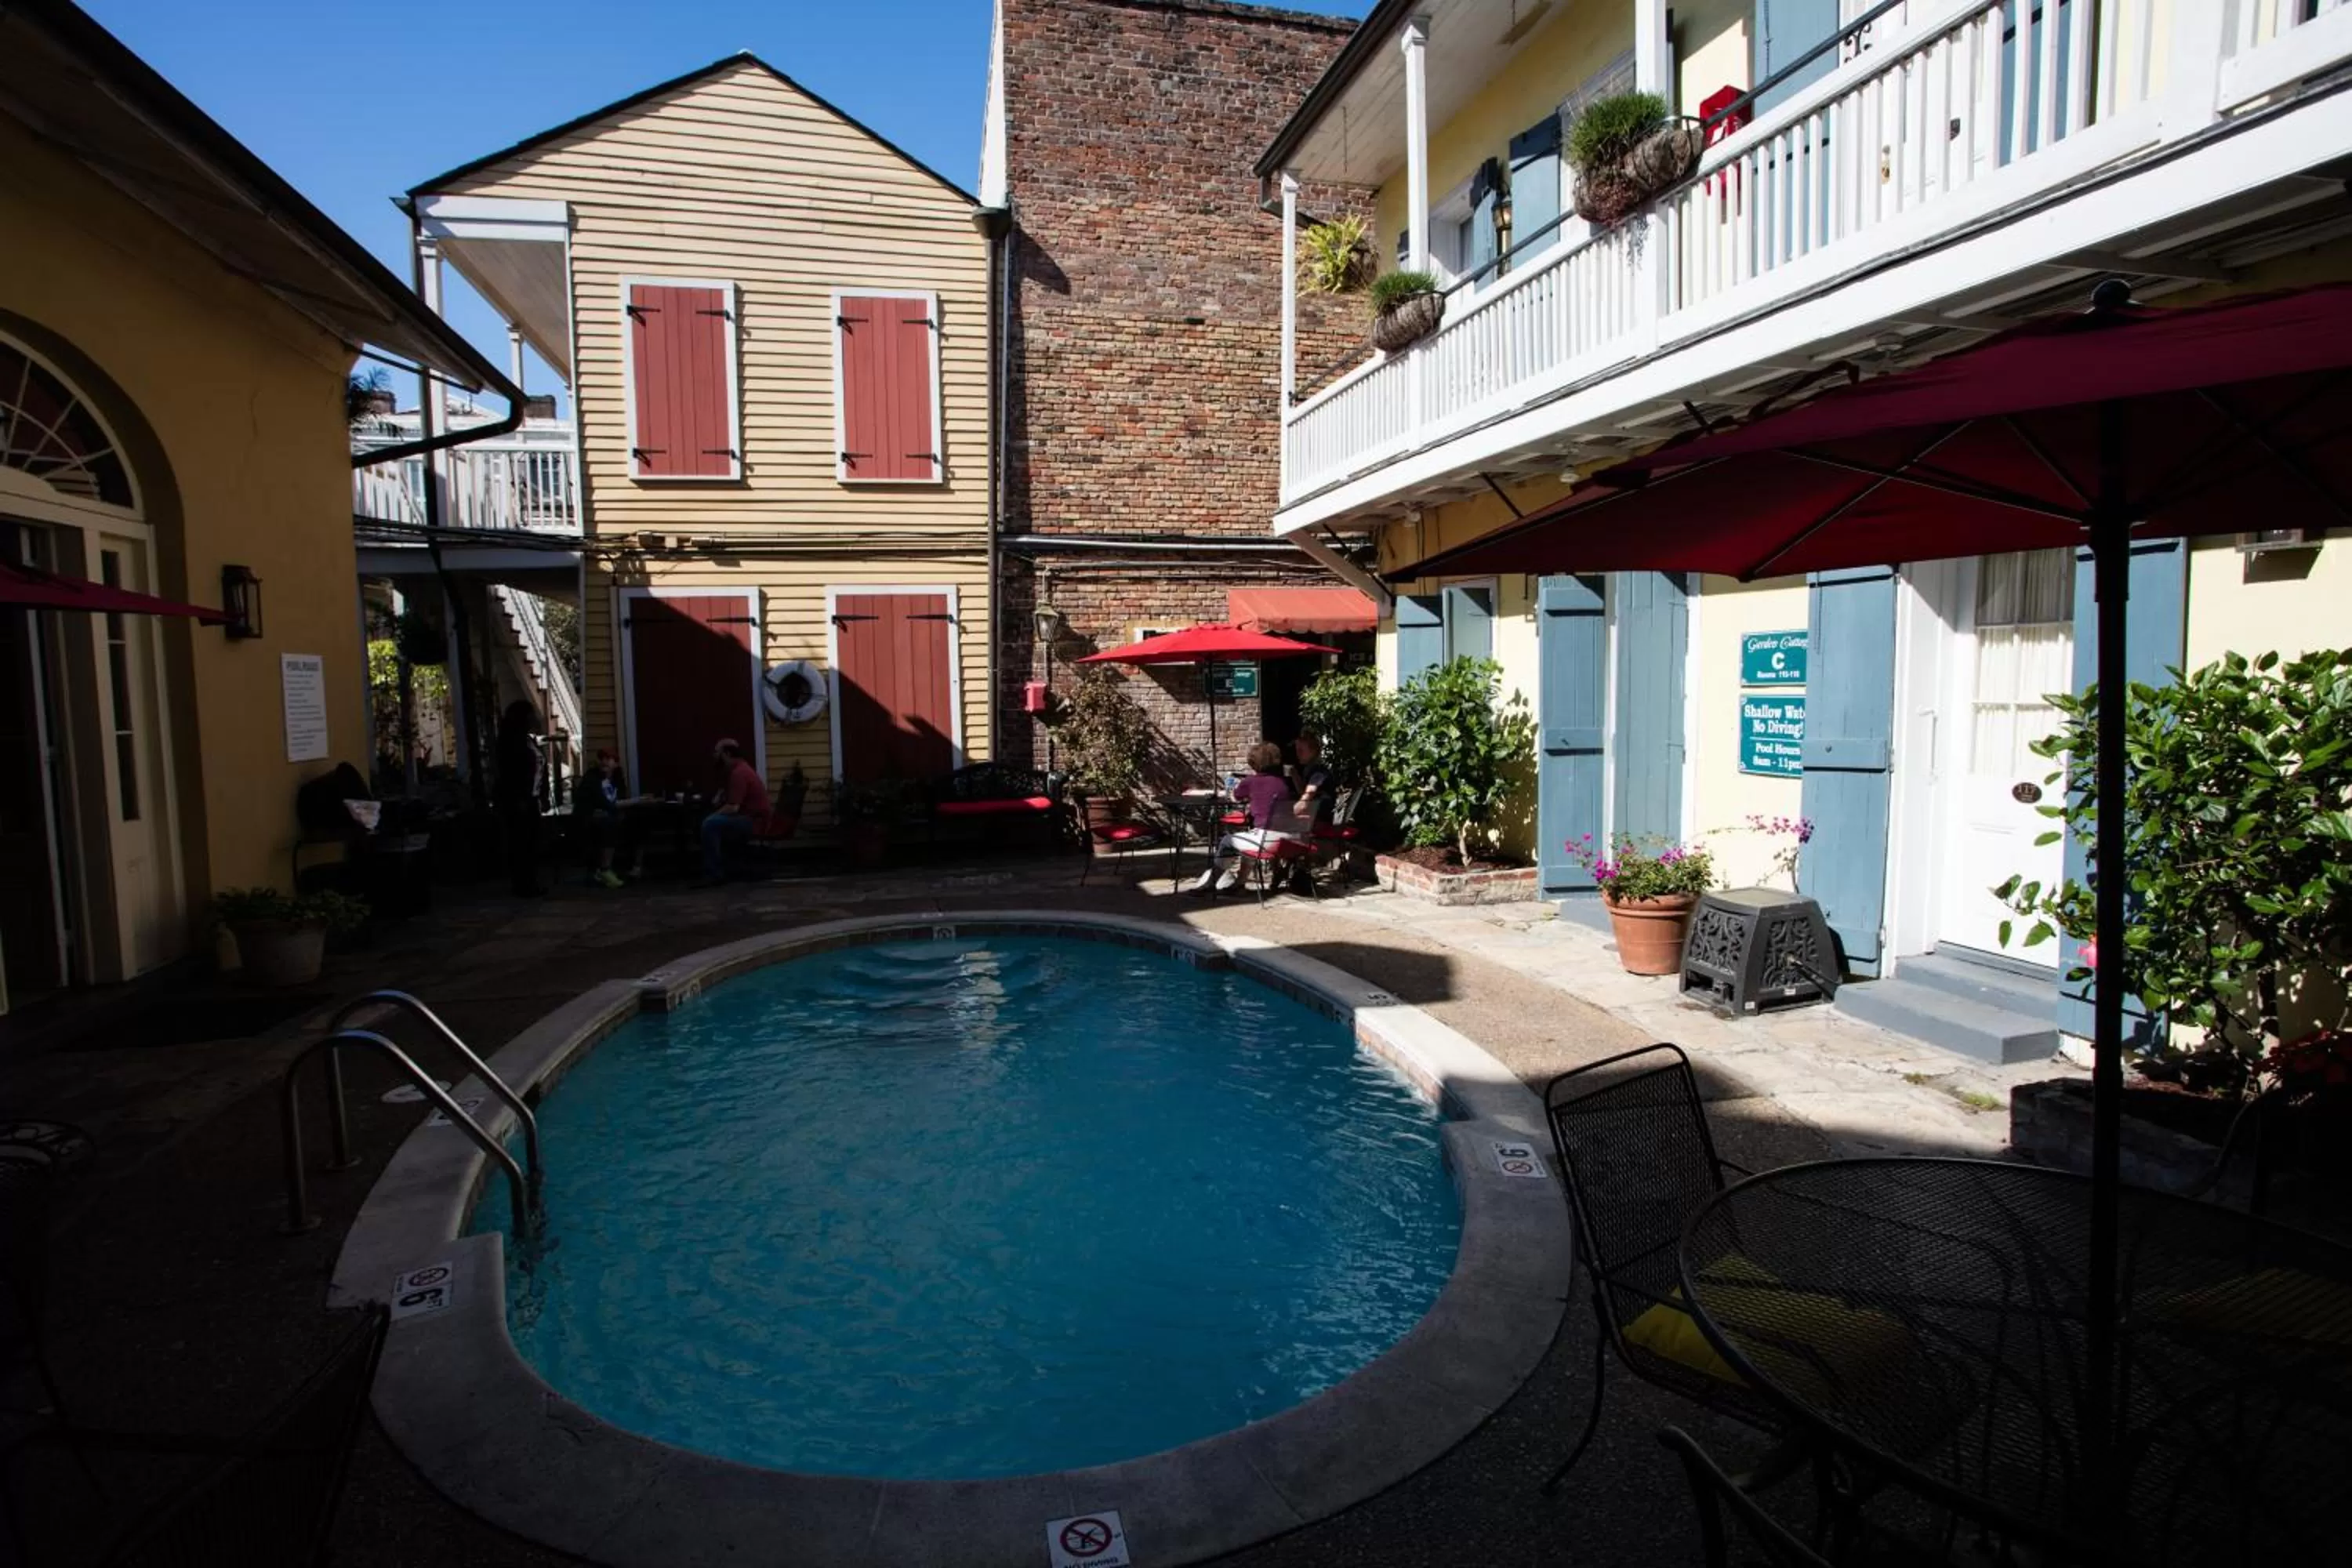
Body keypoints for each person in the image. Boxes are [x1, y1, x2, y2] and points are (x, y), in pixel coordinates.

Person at [1187, 741, 1301, 895]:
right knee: (1249, 839)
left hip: (1268, 841)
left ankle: (1210, 884)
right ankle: (1239, 884)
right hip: (1292, 840)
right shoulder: (1283, 783)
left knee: (1227, 841)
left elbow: (1235, 797)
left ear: (1254, 763)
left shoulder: (1250, 782)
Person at [575, 748, 654, 887]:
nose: (604, 762)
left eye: (609, 759)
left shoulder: (617, 778)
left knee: (640, 820)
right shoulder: (592, 778)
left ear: (616, 763)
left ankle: (636, 867)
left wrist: (633, 804)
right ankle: (604, 869)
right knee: (609, 823)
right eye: (602, 759)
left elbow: (620, 800)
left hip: (613, 815)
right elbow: (604, 804)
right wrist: (636, 801)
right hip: (592, 819)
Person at [698, 738, 770, 884]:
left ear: (727, 754)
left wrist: (713, 815)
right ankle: (729, 866)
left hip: (754, 821)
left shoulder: (739, 773)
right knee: (710, 821)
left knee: (709, 824)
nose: (714, 755)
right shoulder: (738, 769)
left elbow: (733, 807)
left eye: (717, 752)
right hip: (748, 818)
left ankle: (714, 874)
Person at [492, 699, 544, 897]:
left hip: (532, 798)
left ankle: (530, 881)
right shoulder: (510, 742)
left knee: (532, 841)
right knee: (521, 842)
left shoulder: (527, 740)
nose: (534, 718)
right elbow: (510, 773)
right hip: (517, 800)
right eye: (530, 715)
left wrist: (542, 794)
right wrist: (519, 798)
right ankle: (523, 884)